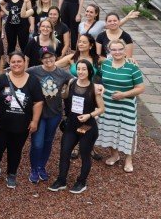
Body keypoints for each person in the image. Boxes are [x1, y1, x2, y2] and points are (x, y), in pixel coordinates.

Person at [48, 59, 106, 194]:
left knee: (85, 154)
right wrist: (62, 92)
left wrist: (89, 115)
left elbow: (102, 108)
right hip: (72, 125)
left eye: (84, 69)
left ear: (90, 71)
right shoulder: (71, 82)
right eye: (78, 69)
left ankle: (81, 181)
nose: (80, 72)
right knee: (64, 152)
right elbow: (65, 96)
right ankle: (61, 180)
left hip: (87, 126)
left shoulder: (94, 88)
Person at [0, 52, 44, 189]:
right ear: (9, 63)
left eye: (19, 61)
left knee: (15, 150)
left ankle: (12, 173)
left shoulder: (33, 81)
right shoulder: (2, 79)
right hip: (0, 124)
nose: (16, 64)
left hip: (21, 125)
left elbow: (38, 102)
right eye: (13, 62)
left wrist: (35, 121)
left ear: (24, 63)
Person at [95, 40, 145, 173]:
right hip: (108, 105)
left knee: (127, 131)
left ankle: (128, 159)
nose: (117, 52)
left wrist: (124, 94)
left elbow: (140, 88)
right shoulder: (105, 64)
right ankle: (114, 155)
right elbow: (99, 79)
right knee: (109, 129)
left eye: (120, 49)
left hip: (126, 105)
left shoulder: (132, 67)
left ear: (124, 50)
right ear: (109, 51)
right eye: (114, 49)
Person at [26, 51, 73, 184]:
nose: (48, 60)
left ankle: (42, 166)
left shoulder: (62, 73)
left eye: (50, 57)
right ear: (41, 60)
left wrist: (95, 86)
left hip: (54, 113)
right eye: (44, 58)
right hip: (38, 114)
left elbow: (76, 81)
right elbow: (17, 72)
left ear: (55, 57)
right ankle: (34, 168)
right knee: (37, 143)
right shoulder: (34, 70)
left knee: (48, 141)